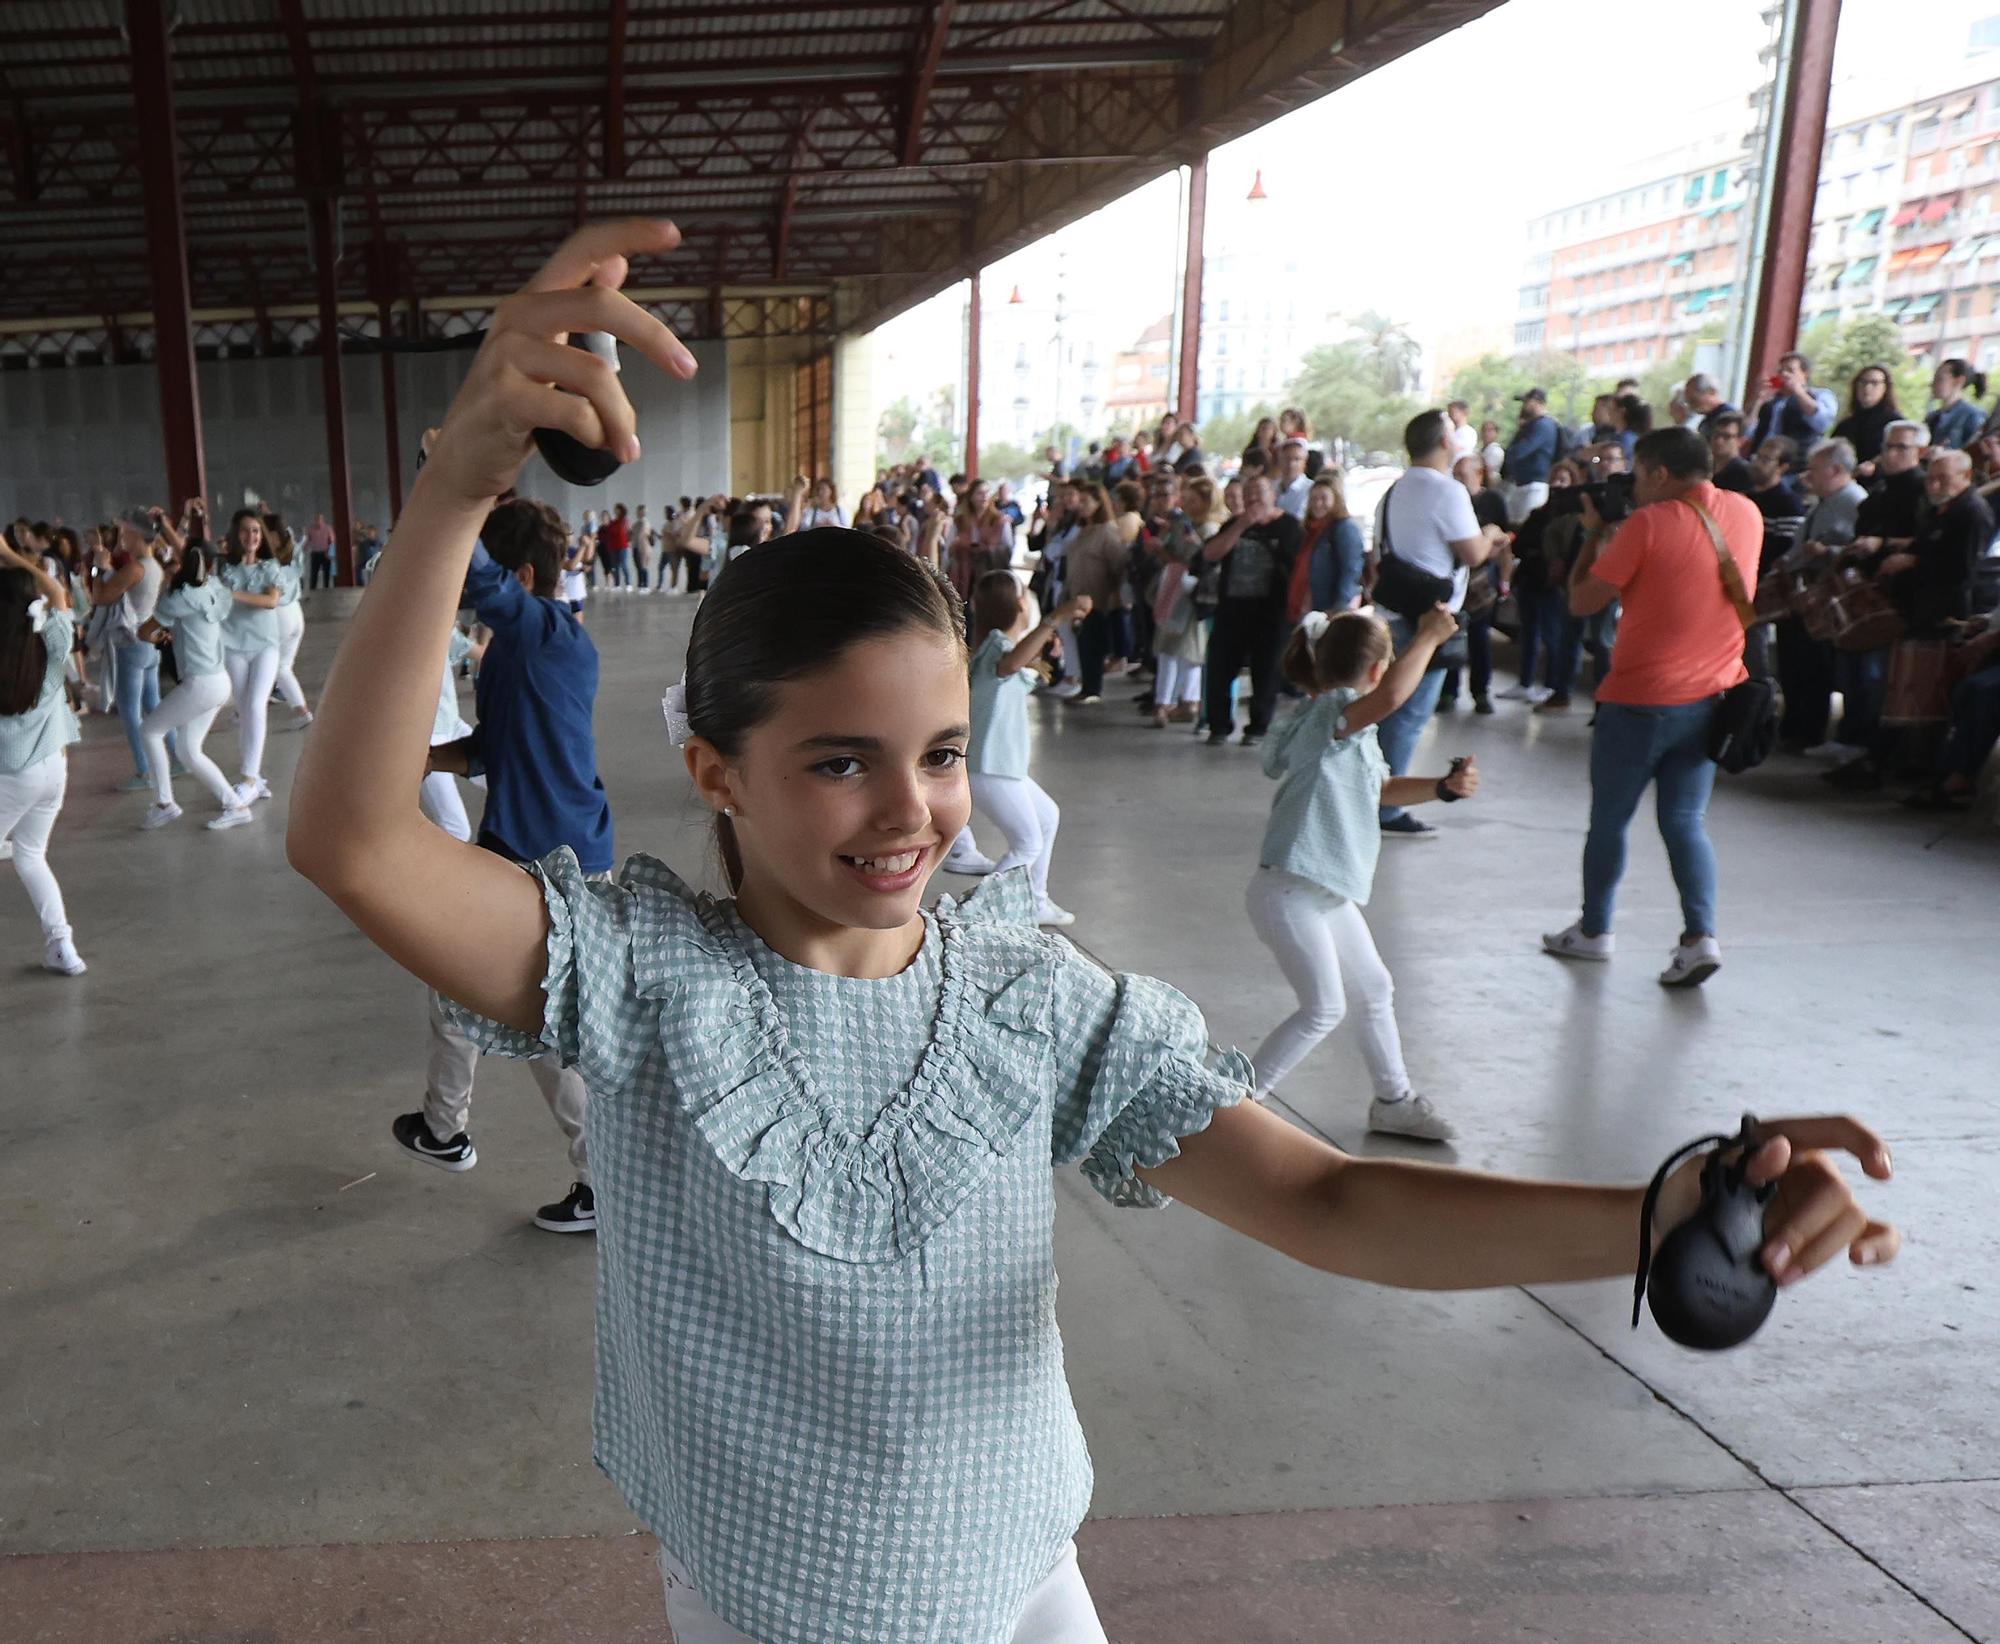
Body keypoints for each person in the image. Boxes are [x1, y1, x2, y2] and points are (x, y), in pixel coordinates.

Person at [285, 222, 1898, 1644]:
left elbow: (1330, 1197)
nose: (912, 810)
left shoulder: (1033, 996)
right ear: (718, 769)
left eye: (932, 752)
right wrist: (458, 480)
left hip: (1028, 1582)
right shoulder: (640, 979)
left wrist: (1657, 1205)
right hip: (768, 1600)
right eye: (838, 760)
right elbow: (352, 837)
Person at [402, 496, 610, 1232]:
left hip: (549, 862)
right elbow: (492, 746)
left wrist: (454, 483)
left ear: (523, 576)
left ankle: (597, 1181)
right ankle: (443, 1128)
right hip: (524, 853)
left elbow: (486, 582)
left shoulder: (552, 635)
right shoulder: (511, 654)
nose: (466, 596)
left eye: (479, 581)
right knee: (461, 985)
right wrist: (420, 759)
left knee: (541, 1025)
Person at [1542, 426, 1763, 988]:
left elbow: (1582, 599)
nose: (1634, 486)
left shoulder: (1647, 524)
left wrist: (1593, 535)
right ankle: (1700, 937)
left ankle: (1595, 931)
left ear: (1660, 473)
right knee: (1686, 821)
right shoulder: (1747, 513)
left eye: (1639, 474)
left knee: (1610, 822)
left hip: (1641, 700)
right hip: (1714, 698)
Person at [1249, 607, 1477, 1141]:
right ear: (1377, 669)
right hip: (1291, 889)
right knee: (1323, 1008)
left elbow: (1377, 791)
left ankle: (1393, 1100)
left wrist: (1441, 788)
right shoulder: (1333, 716)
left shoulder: (1345, 729)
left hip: (1320, 890)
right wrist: (1429, 636)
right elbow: (1395, 698)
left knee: (1373, 987)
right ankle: (1225, 1104)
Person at [1369, 410, 1503, 836]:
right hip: (1431, 619)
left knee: (1384, 708)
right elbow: (1472, 554)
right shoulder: (1448, 492)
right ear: (1445, 442)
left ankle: (1370, 792)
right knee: (1408, 717)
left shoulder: (1392, 492)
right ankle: (1385, 806)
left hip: (1391, 613)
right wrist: (1492, 534)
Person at [966, 572, 1092, 928]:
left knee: (1047, 816)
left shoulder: (999, 645)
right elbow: (1010, 665)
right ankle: (973, 913)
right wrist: (1058, 616)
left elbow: (1017, 664)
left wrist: (1045, 642)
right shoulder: (997, 645)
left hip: (1005, 766)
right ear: (1020, 604)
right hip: (990, 766)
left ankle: (1035, 900)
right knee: (1026, 844)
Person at [0, 538, 87, 973]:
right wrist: (11, 555)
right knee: (31, 855)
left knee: (26, 853)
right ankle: (62, 946)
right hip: (54, 769)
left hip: (12, 776)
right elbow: (57, 593)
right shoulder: (51, 645)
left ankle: (62, 946)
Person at [136, 543, 258, 832]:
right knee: (188, 750)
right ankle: (235, 804)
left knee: (150, 731)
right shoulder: (214, 591)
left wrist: (160, 636)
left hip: (200, 684)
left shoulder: (177, 598)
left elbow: (144, 631)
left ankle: (164, 804)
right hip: (219, 681)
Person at [1778, 438, 1869, 757]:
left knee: (1816, 667)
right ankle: (1793, 724)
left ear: (1835, 470)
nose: (1807, 476)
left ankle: (1810, 730)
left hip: (1829, 596)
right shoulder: (1821, 503)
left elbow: (1859, 549)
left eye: (1814, 470)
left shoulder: (1855, 501)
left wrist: (1827, 551)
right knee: (1794, 664)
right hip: (1802, 592)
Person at [1199, 472, 1301, 747]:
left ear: (1273, 495)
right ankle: (1218, 725)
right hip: (1232, 611)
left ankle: (1258, 727)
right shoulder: (1234, 523)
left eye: (1260, 492)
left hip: (1272, 614)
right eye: (1249, 494)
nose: (1254, 498)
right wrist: (1241, 525)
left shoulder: (1290, 527)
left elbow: (1300, 570)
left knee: (1266, 672)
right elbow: (1210, 554)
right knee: (1220, 668)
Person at [216, 510, 287, 808]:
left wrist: (232, 595)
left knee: (257, 705)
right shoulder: (225, 571)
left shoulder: (270, 568)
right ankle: (253, 776)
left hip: (265, 646)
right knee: (245, 711)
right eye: (245, 531)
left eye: (256, 531)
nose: (251, 537)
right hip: (233, 645)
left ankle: (248, 778)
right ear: (236, 534)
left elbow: (271, 601)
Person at [1436, 455, 1510, 715]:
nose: (1457, 480)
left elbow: (1503, 540)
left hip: (1481, 581)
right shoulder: (1450, 499)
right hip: (1453, 578)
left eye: (1462, 475)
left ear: (1479, 474)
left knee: (1479, 639)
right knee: (1448, 635)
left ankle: (1480, 692)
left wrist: (1504, 577)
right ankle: (1448, 691)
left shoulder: (1492, 501)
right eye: (1454, 474)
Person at [1147, 474, 1219, 726]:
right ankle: (1177, 700)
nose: (1186, 504)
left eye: (1192, 500)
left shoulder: (1207, 529)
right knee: (1174, 648)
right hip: (1178, 592)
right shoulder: (1184, 525)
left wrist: (1163, 552)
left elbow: (1197, 562)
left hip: (1189, 595)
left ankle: (1175, 701)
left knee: (1182, 649)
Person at [1058, 483, 1125, 706]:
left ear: (1099, 503)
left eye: (1087, 501)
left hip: (1098, 597)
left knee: (1092, 644)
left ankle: (1092, 687)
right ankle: (1086, 684)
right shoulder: (1083, 530)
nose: (1082, 506)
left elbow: (1118, 565)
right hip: (1078, 594)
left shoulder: (1107, 531)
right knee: (1083, 643)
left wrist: (1114, 593)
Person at [1746, 352, 1837, 470]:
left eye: (1790, 370)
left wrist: (1798, 391)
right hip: (1760, 466)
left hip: (1795, 468)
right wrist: (1757, 399)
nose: (1784, 374)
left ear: (1805, 374)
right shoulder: (1771, 403)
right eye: (1780, 371)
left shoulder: (1820, 395)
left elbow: (1822, 422)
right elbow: (1748, 432)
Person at [267, 520, 313, 732]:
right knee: (283, 668)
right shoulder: (293, 554)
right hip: (295, 613)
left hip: (281, 614)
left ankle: (302, 712)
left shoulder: (271, 562)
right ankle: (302, 712)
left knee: (277, 668)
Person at [1500, 388, 1563, 524]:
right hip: (1521, 484)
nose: (1523, 406)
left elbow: (1520, 451)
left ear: (1538, 402)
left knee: (1527, 524)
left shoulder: (1544, 425)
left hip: (1535, 484)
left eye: (1527, 401)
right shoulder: (1531, 425)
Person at [1832, 364, 1900, 467]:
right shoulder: (1846, 424)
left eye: (1874, 383)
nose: (1867, 387)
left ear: (1885, 388)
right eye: (1863, 382)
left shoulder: (1895, 424)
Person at [1925, 358, 1987, 452]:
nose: (1932, 383)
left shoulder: (1973, 416)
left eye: (1939, 379)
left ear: (1958, 381)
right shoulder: (1932, 417)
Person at [1707, 413, 1754, 494]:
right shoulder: (1703, 467)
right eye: (1716, 434)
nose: (1719, 441)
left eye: (1727, 436)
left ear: (1740, 441)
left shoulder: (1745, 474)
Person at [1272, 437, 1312, 520]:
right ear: (1279, 460)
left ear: (1305, 462)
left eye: (1297, 459)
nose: (1291, 464)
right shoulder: (1270, 487)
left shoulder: (1311, 489)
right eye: (1286, 458)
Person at [598, 502, 633, 589]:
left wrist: (629, 541)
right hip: (613, 547)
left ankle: (628, 584)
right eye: (615, 509)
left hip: (622, 546)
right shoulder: (613, 522)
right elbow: (608, 533)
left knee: (623, 565)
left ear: (621, 510)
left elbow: (629, 532)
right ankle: (617, 584)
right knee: (615, 566)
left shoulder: (624, 521)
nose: (616, 510)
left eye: (617, 509)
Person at [304, 511, 337, 592]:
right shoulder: (311, 529)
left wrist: (330, 552)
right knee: (313, 573)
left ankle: (326, 590)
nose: (318, 521)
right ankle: (312, 591)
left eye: (320, 519)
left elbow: (332, 541)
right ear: (315, 520)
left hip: (325, 553)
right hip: (315, 553)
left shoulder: (328, 528)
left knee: (326, 573)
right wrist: (303, 548)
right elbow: (308, 540)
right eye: (317, 519)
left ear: (323, 520)